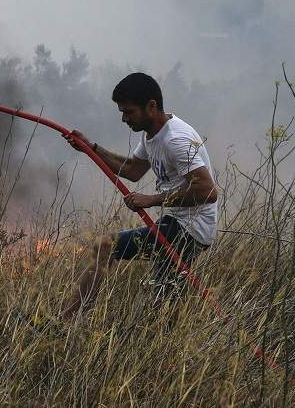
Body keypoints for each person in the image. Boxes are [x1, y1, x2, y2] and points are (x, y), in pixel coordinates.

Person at [61, 72, 218, 318]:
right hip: (175, 224)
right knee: (162, 301)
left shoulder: (176, 139)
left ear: (151, 106)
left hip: (190, 230)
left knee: (107, 248)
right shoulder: (152, 135)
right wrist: (90, 147)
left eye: (129, 112)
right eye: (122, 112)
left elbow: (207, 191)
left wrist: (152, 199)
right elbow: (132, 170)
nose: (124, 119)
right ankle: (69, 320)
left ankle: (67, 321)